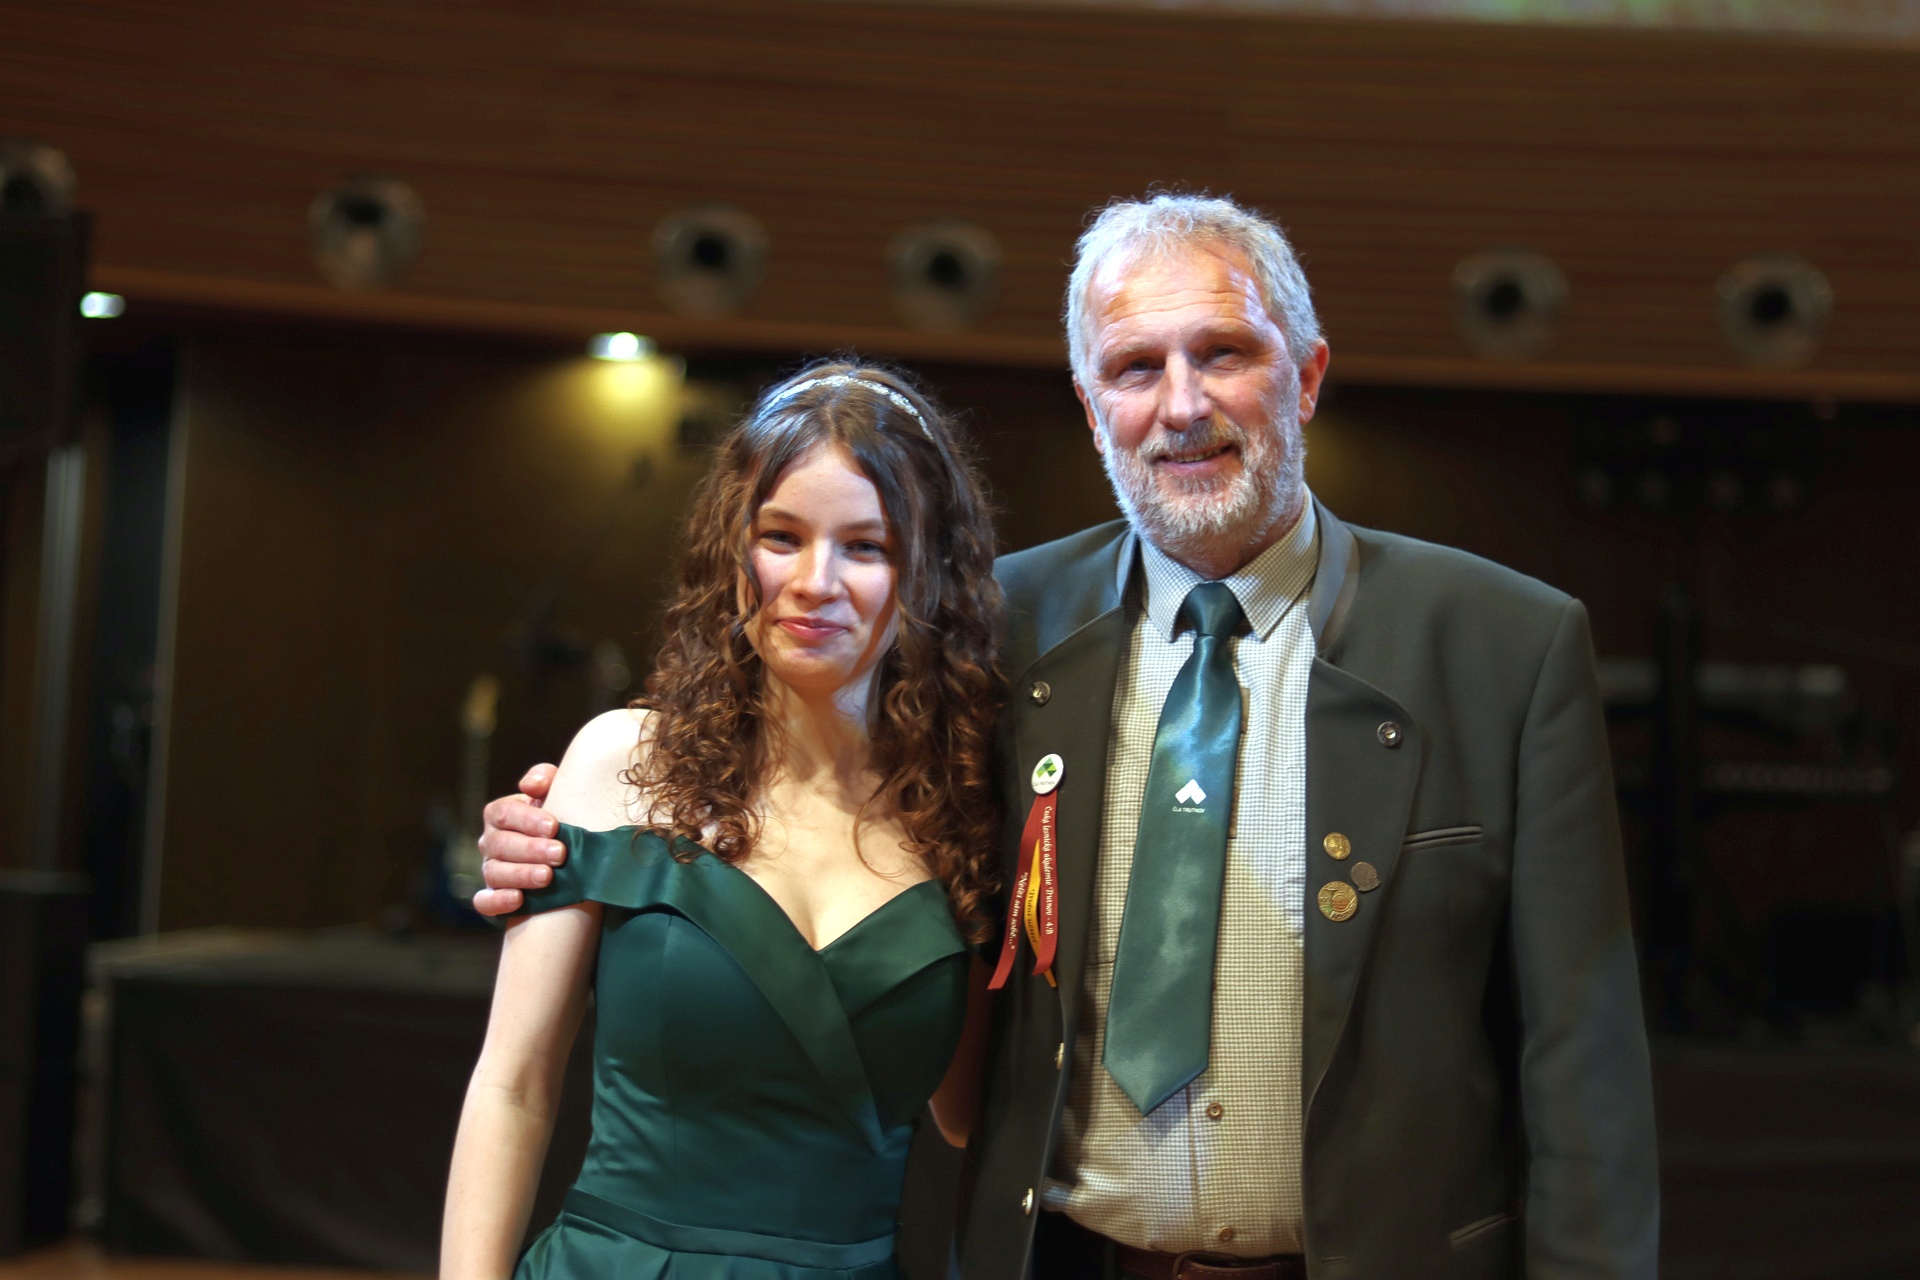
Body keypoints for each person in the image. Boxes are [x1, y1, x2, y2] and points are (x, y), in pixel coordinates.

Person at [478, 195, 1659, 1279]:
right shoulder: (990, 635)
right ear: (1093, 410)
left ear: (1305, 376)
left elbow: (1583, 1069)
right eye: (1136, 367)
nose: (1181, 404)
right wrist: (562, 829)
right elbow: (789, 757)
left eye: (1224, 353)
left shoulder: (1505, 648)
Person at [442, 361, 1003, 1280]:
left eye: (866, 547)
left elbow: (966, 1114)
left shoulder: (966, 809)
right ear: (732, 550)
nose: (815, 581)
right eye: (782, 537)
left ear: (928, 569)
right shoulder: (622, 763)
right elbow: (513, 1084)